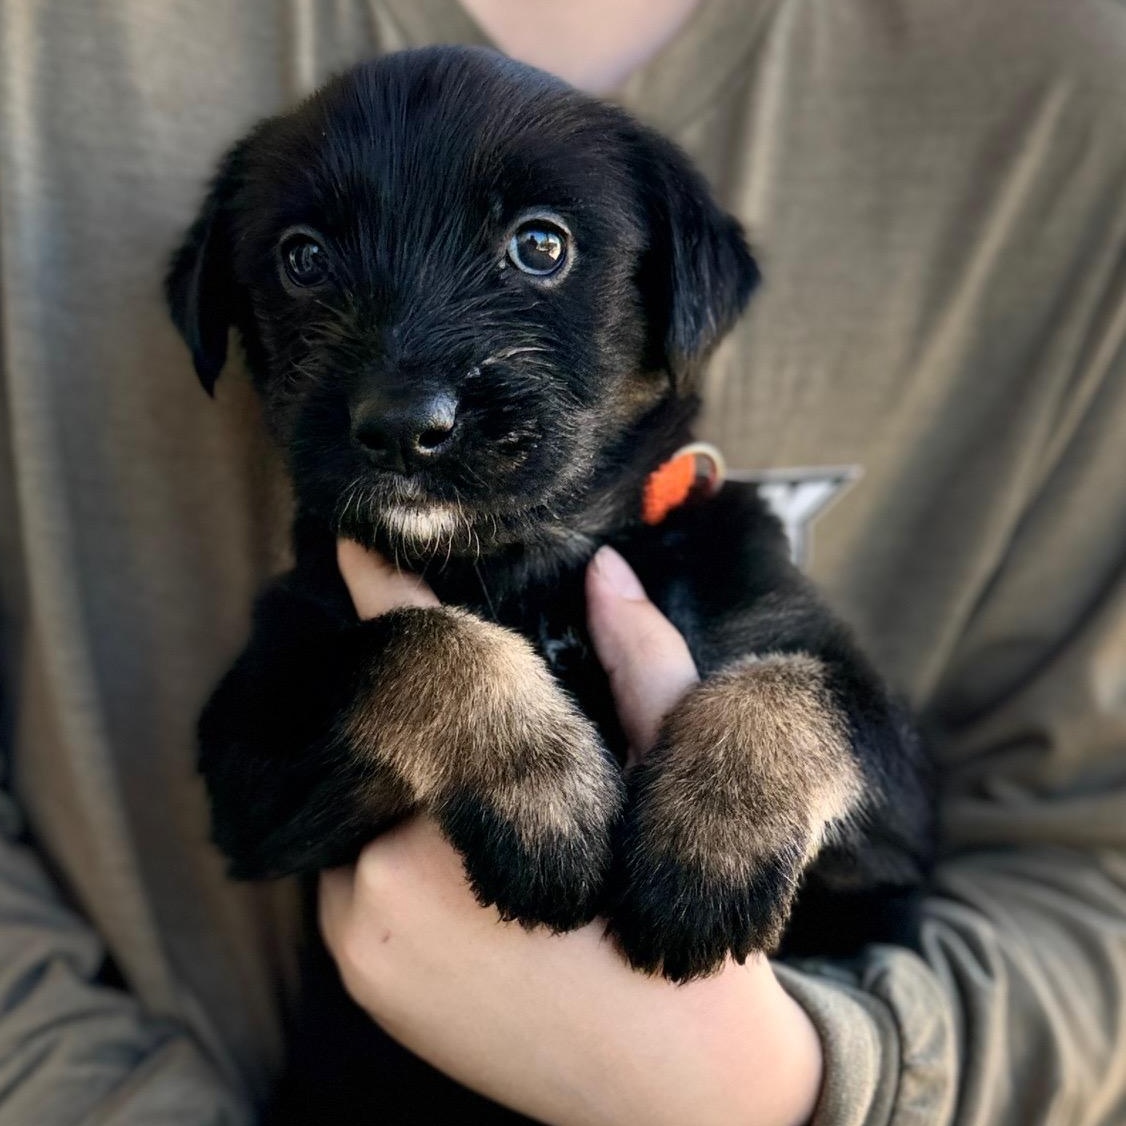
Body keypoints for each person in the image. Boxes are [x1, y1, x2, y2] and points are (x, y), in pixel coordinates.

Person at [1, 0, 1125, 1122]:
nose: (406, 400)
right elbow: (249, 802)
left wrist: (767, 1054)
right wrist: (441, 692)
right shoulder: (333, 603)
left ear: (676, 301)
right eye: (304, 263)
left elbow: (898, 828)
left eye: (539, 249)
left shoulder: (725, 561)